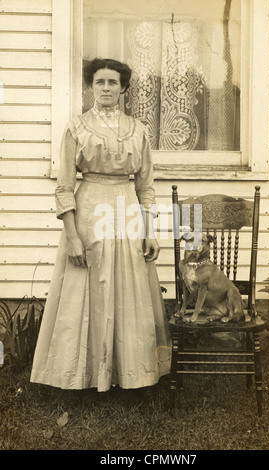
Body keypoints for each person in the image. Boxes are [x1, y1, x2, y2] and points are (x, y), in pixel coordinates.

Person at [30, 58, 171, 392]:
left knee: (129, 290)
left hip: (128, 212)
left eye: (113, 82)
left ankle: (129, 374)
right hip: (90, 210)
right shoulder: (77, 127)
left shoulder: (138, 130)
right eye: (99, 82)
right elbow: (64, 187)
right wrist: (72, 236)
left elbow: (146, 186)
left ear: (123, 89)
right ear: (90, 86)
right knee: (87, 289)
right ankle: (83, 376)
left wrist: (149, 230)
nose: (106, 88)